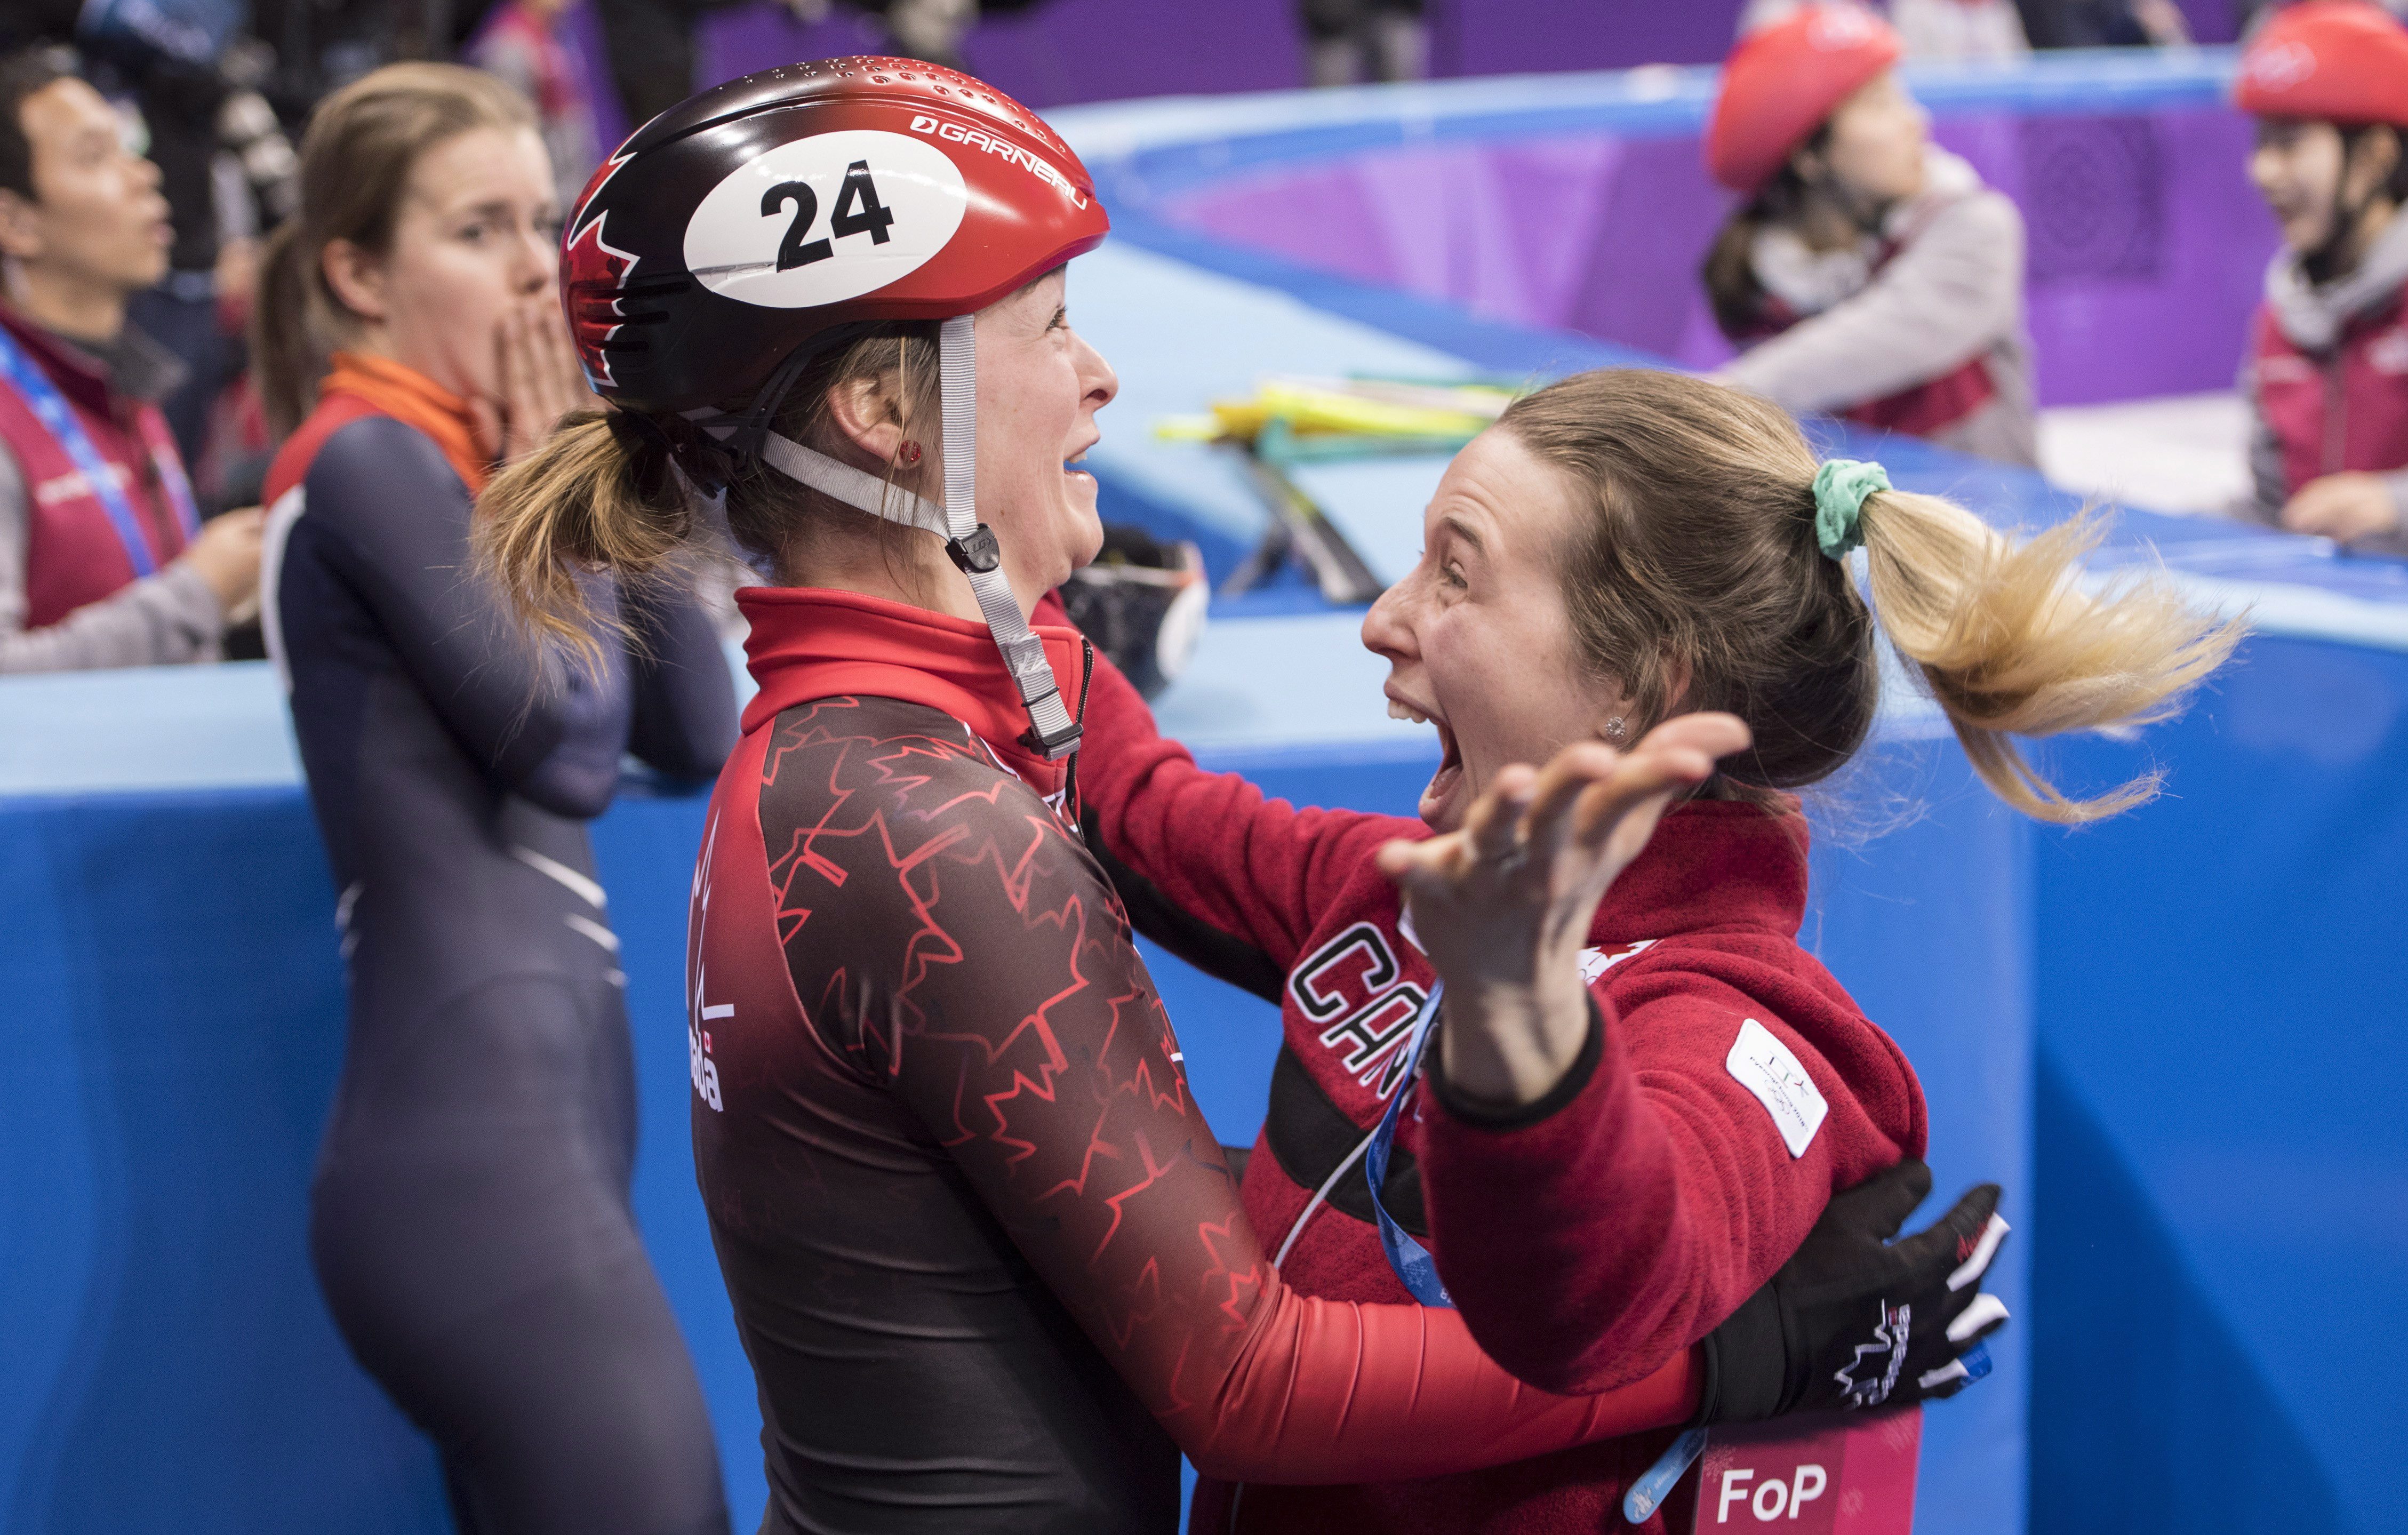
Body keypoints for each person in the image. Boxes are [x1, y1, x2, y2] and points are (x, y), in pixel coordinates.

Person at [477, 59, 2007, 1534]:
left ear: (1644, 677)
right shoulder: (921, 817)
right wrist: (1739, 1356)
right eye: (1051, 323)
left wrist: (1009, 592)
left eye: (1455, 571)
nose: (1100, 373)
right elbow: (1249, 1371)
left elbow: (1598, 1253)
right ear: (888, 411)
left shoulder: (859, 763)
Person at [1070, 367, 2234, 1528]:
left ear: (1634, 685)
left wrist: (1522, 1031)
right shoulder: (1400, 888)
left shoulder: (1754, 1043)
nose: (1384, 619)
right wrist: (1000, 547)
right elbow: (1134, 801)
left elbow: (1595, 1293)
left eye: (1455, 574)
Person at [253, 62, 738, 1535]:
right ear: (357, 273)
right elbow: (567, 746)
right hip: (471, 1182)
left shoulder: (462, 471)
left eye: (540, 221)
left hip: (538, 1160)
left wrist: (599, 467)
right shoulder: (365, 458)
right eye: (477, 230)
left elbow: (695, 724)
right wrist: (545, 473)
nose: (534, 267)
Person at [0, 46, 261, 671]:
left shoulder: (122, 384)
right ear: (16, 223)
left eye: (129, 146)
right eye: (95, 156)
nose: (142, 174)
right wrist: (200, 594)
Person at [1700, 4, 2039, 467]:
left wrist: (1718, 398)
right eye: (1881, 103)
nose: (1915, 121)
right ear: (1808, 156)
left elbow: (1896, 327)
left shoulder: (1976, 223)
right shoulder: (1754, 283)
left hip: (1993, 511)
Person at [2231, 0, 2408, 555]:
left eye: (2290, 144)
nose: (2263, 171)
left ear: (2374, 157)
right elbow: (2270, 510)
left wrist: (2395, 506)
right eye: (2261, 143)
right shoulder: (2278, 318)